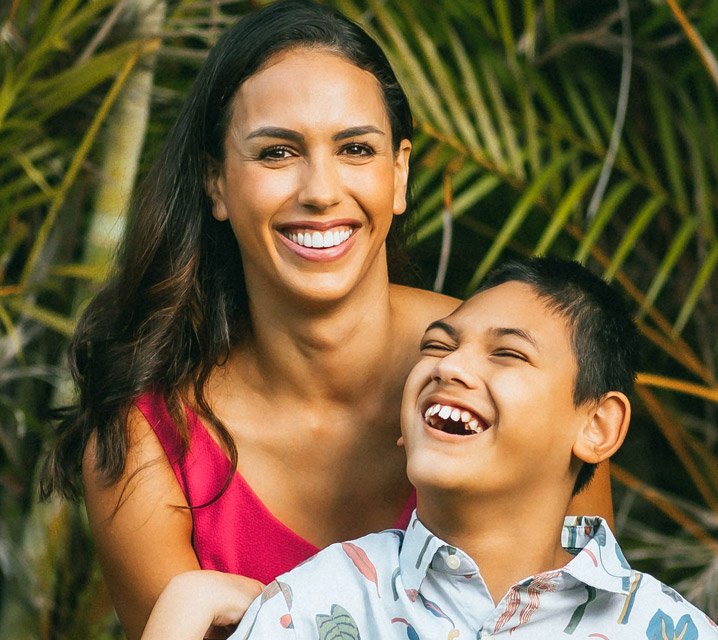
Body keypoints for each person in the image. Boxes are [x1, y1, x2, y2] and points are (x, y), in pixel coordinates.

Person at [41, 2, 614, 638]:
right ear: (216, 184)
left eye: (355, 149)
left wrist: (247, 609)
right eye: (278, 152)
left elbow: (591, 622)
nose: (320, 190)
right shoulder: (148, 445)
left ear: (398, 175)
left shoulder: (522, 379)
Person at [142, 257, 718, 640]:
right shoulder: (319, 603)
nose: (450, 366)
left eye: (507, 353)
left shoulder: (666, 628)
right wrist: (184, 608)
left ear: (597, 426)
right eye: (437, 346)